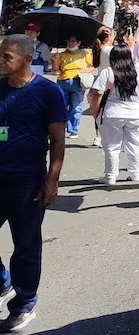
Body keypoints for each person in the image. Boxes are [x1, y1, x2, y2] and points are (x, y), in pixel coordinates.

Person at [0, 35, 66, 333]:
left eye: (7, 57)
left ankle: (24, 303)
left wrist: (52, 180)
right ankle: (4, 282)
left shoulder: (48, 92)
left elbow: (58, 141)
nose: (1, 61)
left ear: (27, 59)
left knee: (25, 246)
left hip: (27, 182)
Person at [88, 46, 139, 184]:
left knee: (112, 145)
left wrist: (95, 110)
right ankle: (135, 173)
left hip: (113, 113)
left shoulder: (108, 72)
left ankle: (111, 175)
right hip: (136, 113)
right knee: (134, 143)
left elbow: (95, 93)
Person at [50, 35, 91, 140]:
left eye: (73, 41)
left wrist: (84, 71)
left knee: (76, 107)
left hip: (78, 82)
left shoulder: (84, 54)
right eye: (69, 41)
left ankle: (73, 130)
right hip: (63, 81)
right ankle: (60, 128)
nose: (70, 43)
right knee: (61, 106)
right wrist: (55, 61)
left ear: (79, 43)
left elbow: (92, 66)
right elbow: (55, 70)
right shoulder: (61, 55)